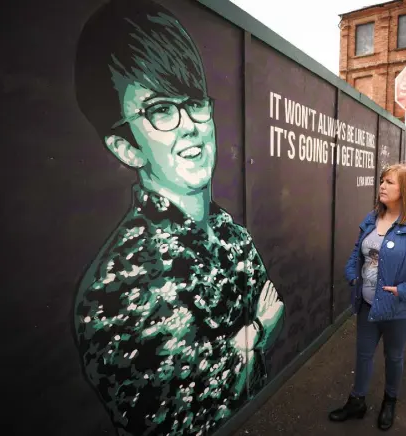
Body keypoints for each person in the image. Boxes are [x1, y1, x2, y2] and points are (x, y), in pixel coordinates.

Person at [72, 1, 285, 434]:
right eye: (161, 110)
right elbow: (181, 418)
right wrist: (257, 328)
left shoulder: (230, 233)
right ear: (125, 147)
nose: (190, 125)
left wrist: (240, 348)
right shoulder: (115, 287)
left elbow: (271, 312)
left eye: (193, 102)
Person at [328, 164, 406, 431]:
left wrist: (405, 291)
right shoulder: (372, 218)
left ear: (405, 190)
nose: (382, 186)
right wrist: (352, 274)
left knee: (394, 356)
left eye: (389, 182)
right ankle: (357, 401)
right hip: (367, 304)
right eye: (382, 181)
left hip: (399, 308)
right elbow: (358, 252)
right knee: (363, 354)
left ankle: (390, 400)